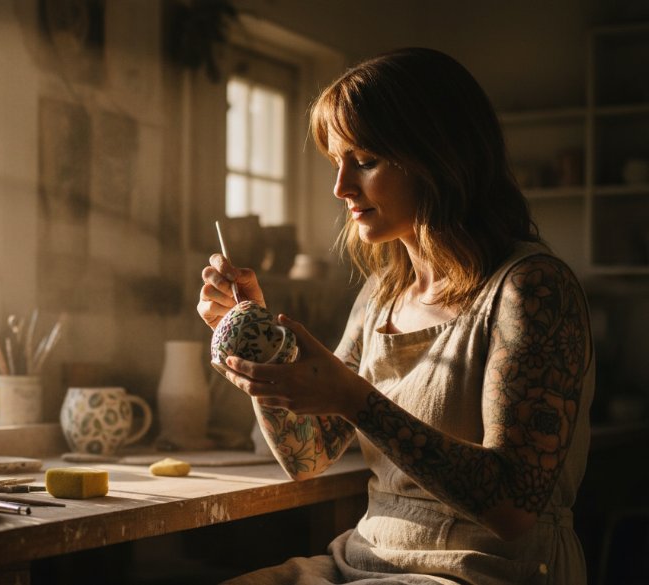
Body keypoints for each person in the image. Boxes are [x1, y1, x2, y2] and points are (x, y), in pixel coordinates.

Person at [198, 47, 593, 585]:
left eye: (364, 161)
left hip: (483, 573)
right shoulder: (383, 293)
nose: (341, 187)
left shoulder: (530, 289)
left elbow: (511, 507)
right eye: (337, 162)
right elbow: (309, 456)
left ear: (439, 157)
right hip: (363, 563)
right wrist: (260, 345)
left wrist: (354, 398)